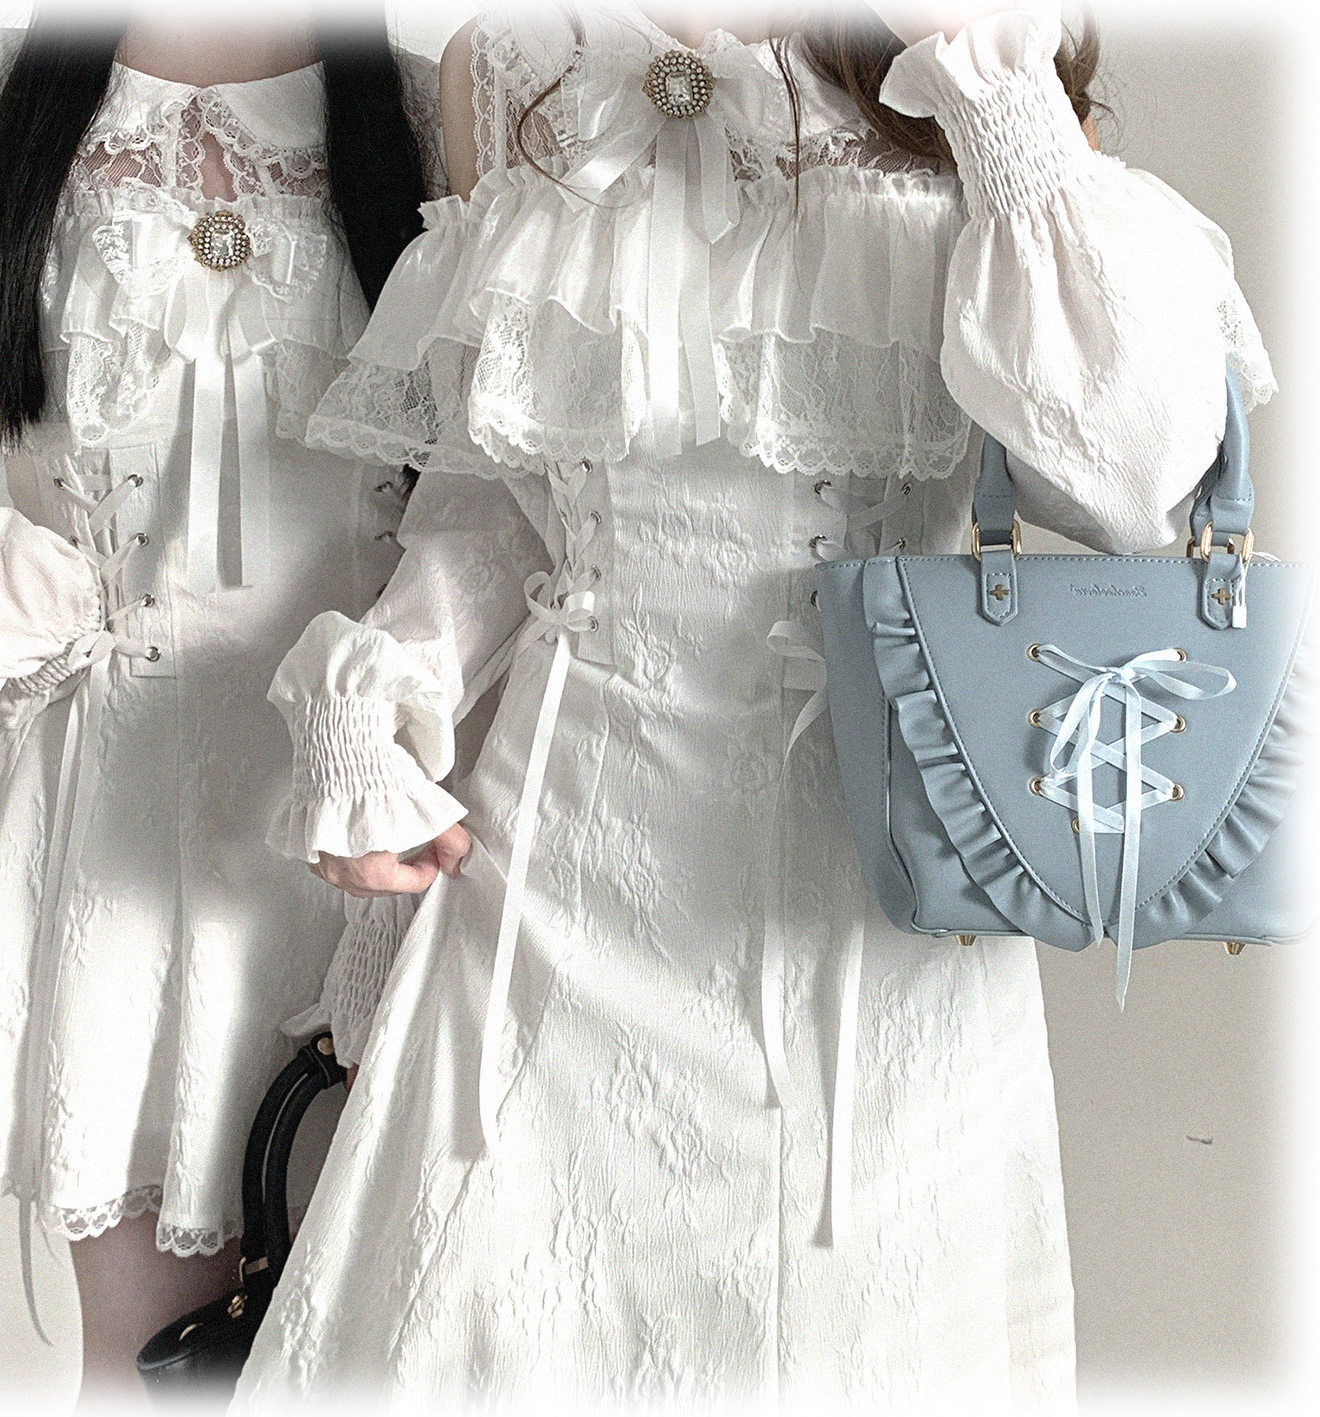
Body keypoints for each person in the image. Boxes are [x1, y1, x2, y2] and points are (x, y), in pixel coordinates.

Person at [236, 0, 1274, 1406]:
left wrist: (989, 87)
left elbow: (1137, 479)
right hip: (561, 880)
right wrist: (383, 696)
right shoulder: (513, 61)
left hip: (881, 903)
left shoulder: (981, 50)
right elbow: (504, 495)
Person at [0, 4, 442, 1394]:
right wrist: (5, 577)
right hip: (117, 833)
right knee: (155, 1365)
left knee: (377, 1357)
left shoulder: (434, 113)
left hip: (364, 824)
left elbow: (500, 488)